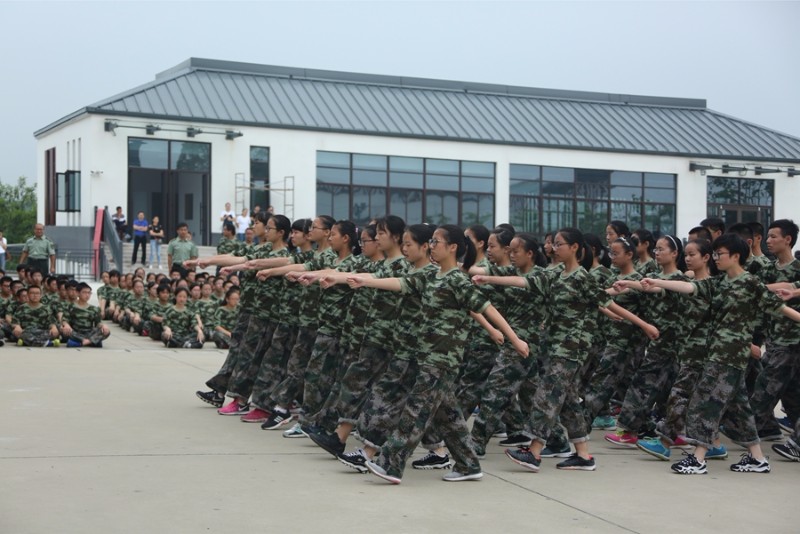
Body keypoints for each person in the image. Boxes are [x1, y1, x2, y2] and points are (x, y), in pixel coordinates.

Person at [641, 233, 800, 475]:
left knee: (706, 403)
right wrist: (657, 282)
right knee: (740, 408)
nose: (715, 258)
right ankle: (758, 458)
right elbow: (689, 286)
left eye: (719, 254)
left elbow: (780, 308)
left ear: (736, 256)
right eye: (714, 254)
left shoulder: (751, 284)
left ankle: (698, 458)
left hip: (729, 355)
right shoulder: (719, 283)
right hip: (716, 352)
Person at [61, 283, 110, 347]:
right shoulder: (70, 307)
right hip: (75, 333)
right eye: (84, 292)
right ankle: (92, 341)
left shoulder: (94, 309)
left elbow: (98, 323)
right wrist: (66, 325)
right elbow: (64, 320)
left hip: (89, 333)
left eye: (89, 293)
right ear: (78, 293)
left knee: (106, 331)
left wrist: (103, 326)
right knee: (62, 329)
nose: (87, 295)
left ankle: (85, 342)